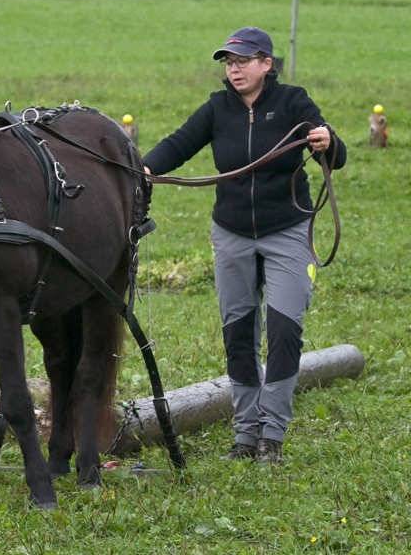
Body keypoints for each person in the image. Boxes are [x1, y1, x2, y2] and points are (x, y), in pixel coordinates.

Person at [141, 27, 347, 465]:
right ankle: (245, 433)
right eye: (228, 63)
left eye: (242, 61)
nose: (234, 69)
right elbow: (180, 143)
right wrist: (143, 167)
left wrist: (329, 141)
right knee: (238, 334)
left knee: (285, 330)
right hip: (231, 233)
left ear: (266, 63)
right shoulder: (218, 108)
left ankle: (272, 434)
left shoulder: (293, 102)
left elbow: (334, 151)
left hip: (288, 230)